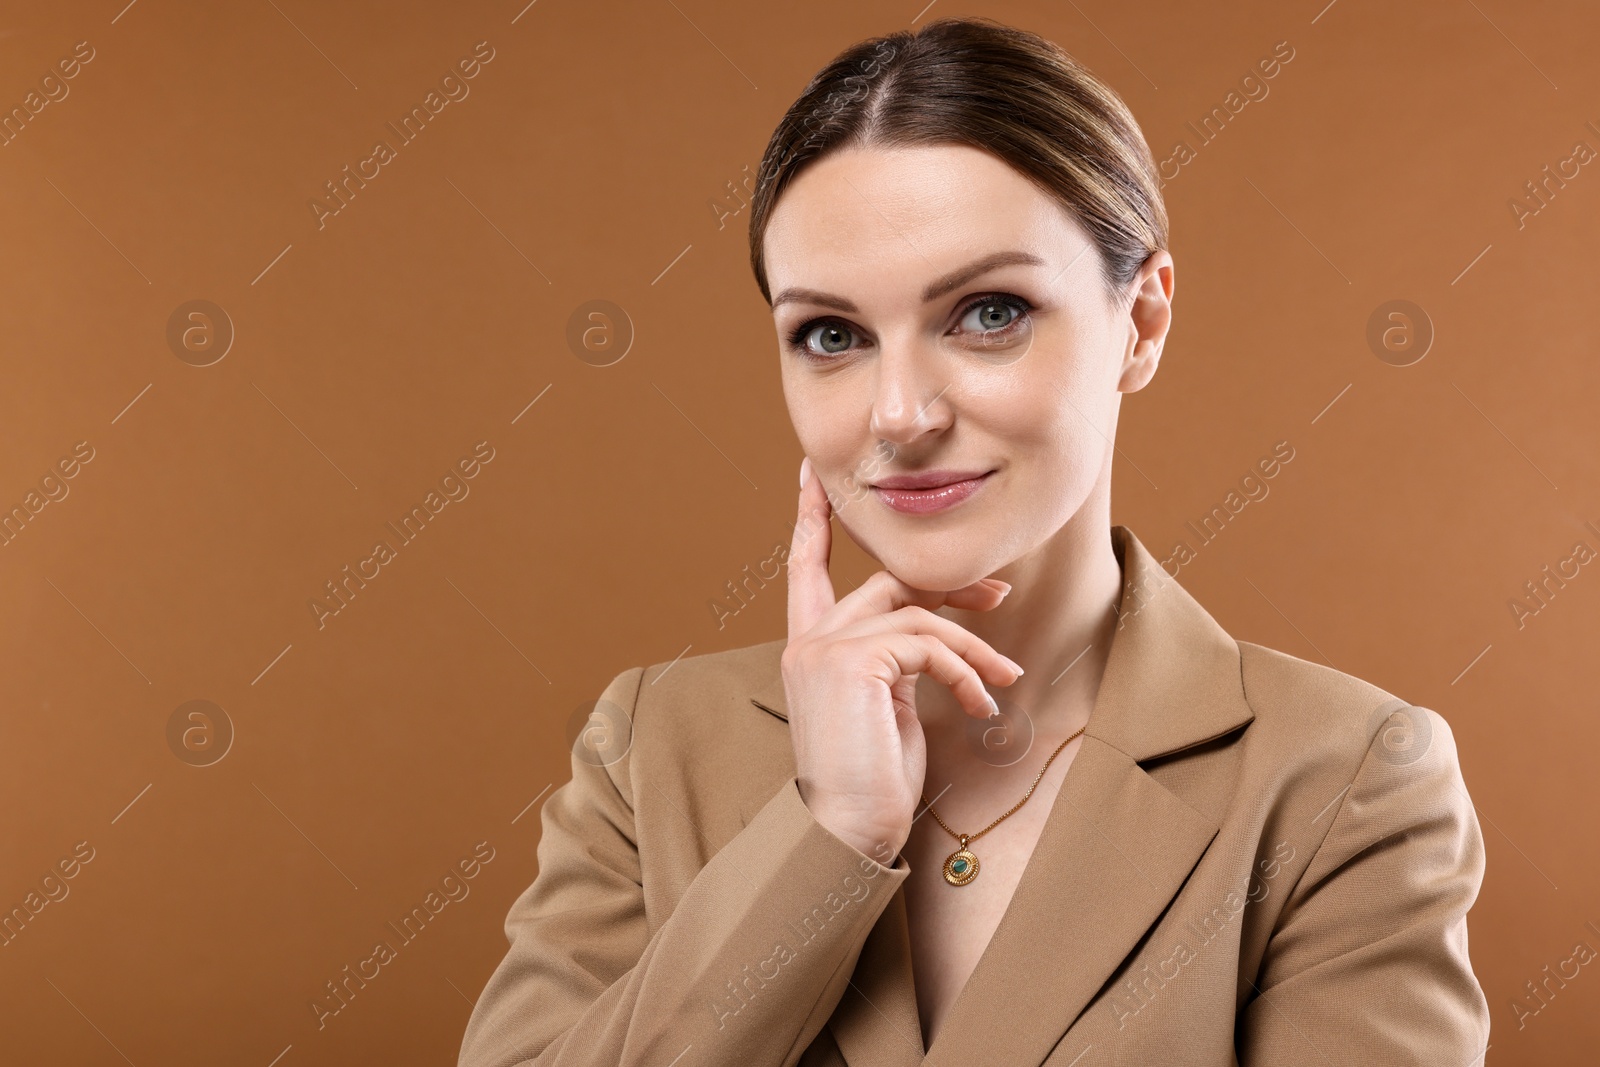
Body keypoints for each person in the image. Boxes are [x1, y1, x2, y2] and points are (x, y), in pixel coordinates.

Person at [458, 16, 1490, 1066]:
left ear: (1141, 322)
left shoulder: (1342, 776)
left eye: (988, 311)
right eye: (831, 334)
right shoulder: (652, 745)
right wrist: (831, 835)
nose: (898, 413)